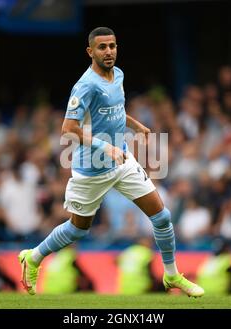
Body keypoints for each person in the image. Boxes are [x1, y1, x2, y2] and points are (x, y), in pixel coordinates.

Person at [18, 27, 204, 297]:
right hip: (91, 169)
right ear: (90, 51)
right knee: (77, 230)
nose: (108, 52)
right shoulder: (85, 86)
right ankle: (33, 257)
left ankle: (172, 275)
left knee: (162, 216)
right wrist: (105, 146)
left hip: (122, 161)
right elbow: (68, 128)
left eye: (112, 46)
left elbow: (116, 111)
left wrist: (136, 124)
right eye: (102, 47)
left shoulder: (118, 75)